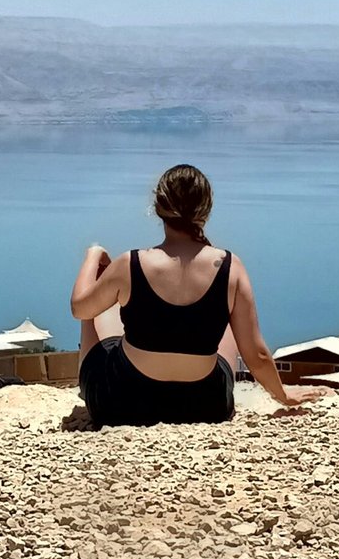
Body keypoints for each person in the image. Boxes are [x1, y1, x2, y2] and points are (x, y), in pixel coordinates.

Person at [69, 163, 317, 427]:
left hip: (123, 404)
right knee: (233, 321)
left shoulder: (129, 264)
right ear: (205, 211)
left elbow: (79, 308)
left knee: (94, 312)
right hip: (204, 405)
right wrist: (283, 395)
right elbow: (256, 354)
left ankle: (88, 385)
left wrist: (93, 255)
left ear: (158, 209)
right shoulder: (230, 268)